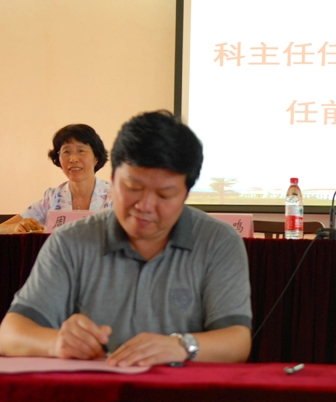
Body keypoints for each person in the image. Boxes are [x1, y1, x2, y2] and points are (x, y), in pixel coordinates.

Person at [0, 111, 252, 366]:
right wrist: (56, 343)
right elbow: (10, 334)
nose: (145, 206)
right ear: (113, 179)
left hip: (182, 389)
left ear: (186, 193)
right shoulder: (71, 241)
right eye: (133, 188)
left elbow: (237, 341)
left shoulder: (218, 241)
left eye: (164, 195)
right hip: (93, 389)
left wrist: (181, 346)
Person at [0, 124, 112, 234]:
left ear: (96, 158)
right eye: (66, 152)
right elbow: (2, 227)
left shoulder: (116, 197)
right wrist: (15, 227)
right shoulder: (52, 198)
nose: (73, 159)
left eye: (81, 151)